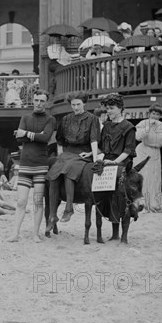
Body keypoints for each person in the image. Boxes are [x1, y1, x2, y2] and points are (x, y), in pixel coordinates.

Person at [6, 90, 56, 243]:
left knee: (38, 202)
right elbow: (18, 138)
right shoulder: (25, 117)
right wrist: (35, 135)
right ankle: (15, 233)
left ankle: (35, 234)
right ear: (32, 100)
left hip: (41, 165)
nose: (39, 103)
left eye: (42, 101)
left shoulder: (50, 119)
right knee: (21, 202)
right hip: (25, 164)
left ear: (46, 102)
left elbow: (45, 138)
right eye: (36, 100)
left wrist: (26, 133)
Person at [46, 92, 100, 228]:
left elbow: (94, 140)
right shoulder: (65, 119)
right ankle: (52, 215)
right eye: (73, 105)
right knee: (53, 174)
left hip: (83, 153)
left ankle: (69, 208)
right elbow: (59, 140)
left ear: (84, 104)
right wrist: (60, 155)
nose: (75, 107)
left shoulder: (92, 119)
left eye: (78, 104)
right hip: (68, 152)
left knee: (68, 169)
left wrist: (93, 156)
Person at [96, 93, 137, 229]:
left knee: (121, 197)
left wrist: (114, 163)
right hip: (107, 162)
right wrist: (91, 153)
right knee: (105, 197)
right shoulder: (106, 126)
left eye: (112, 108)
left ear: (120, 109)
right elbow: (101, 147)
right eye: (107, 109)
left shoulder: (128, 127)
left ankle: (124, 233)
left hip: (122, 163)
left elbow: (128, 150)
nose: (109, 111)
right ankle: (113, 233)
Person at [133, 103, 162, 212]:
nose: (155, 116)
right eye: (153, 113)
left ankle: (153, 203)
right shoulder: (143, 123)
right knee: (144, 177)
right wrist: (147, 128)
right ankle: (141, 203)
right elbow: (137, 137)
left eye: (157, 114)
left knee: (155, 177)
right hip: (143, 151)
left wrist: (160, 144)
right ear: (149, 113)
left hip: (156, 152)